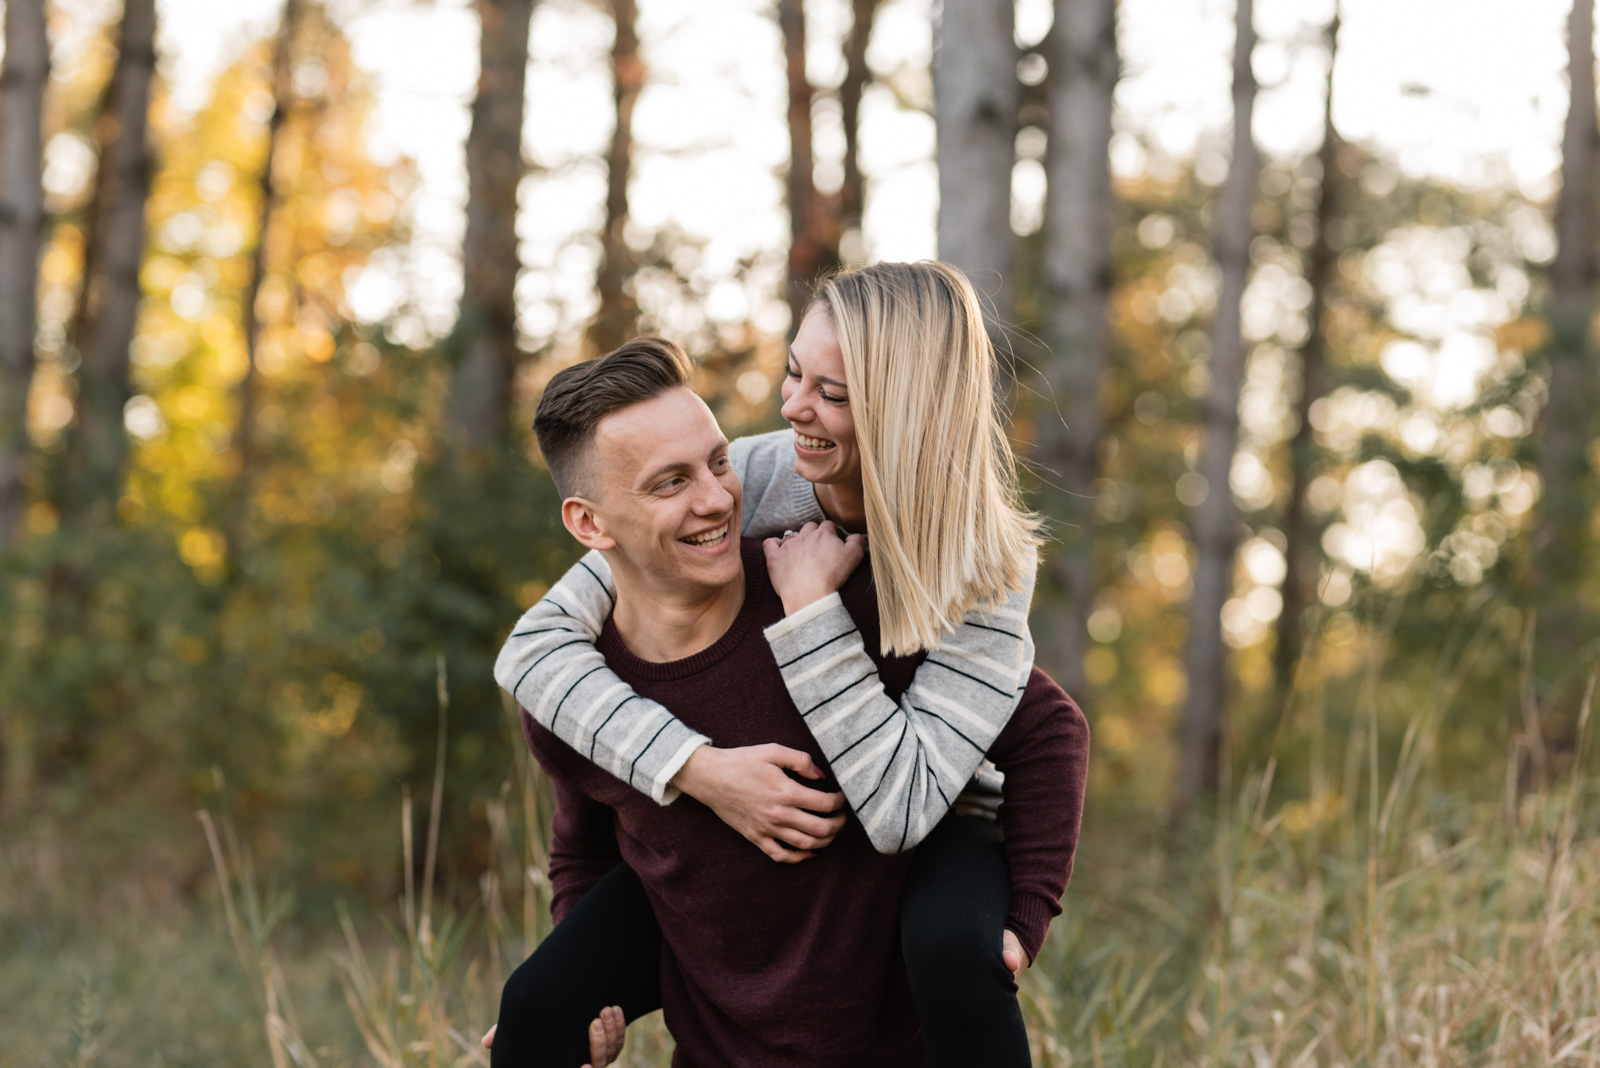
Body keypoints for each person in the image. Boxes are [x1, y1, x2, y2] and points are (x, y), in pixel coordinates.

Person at [493, 262, 1086, 1063]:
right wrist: (700, 770)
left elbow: (916, 800)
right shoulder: (758, 477)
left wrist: (810, 612)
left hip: (936, 810)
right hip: (766, 840)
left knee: (951, 949)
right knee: (536, 1004)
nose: (792, 407)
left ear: (902, 412)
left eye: (832, 394)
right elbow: (538, 648)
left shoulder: (981, 569)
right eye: (793, 372)